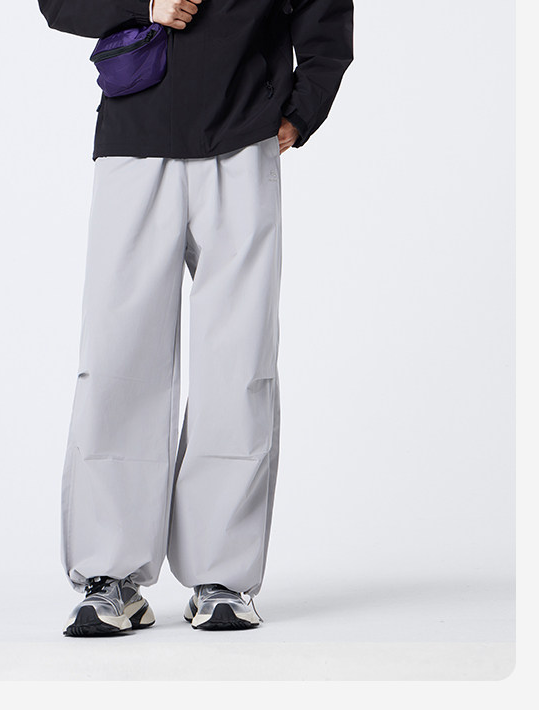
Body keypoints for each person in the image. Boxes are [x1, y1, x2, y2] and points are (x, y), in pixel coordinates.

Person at [37, 0, 354, 635]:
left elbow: (325, 12)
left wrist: (303, 108)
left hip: (242, 136)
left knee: (238, 362)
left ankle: (223, 576)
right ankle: (110, 574)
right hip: (136, 135)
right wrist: (144, 4)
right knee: (118, 357)